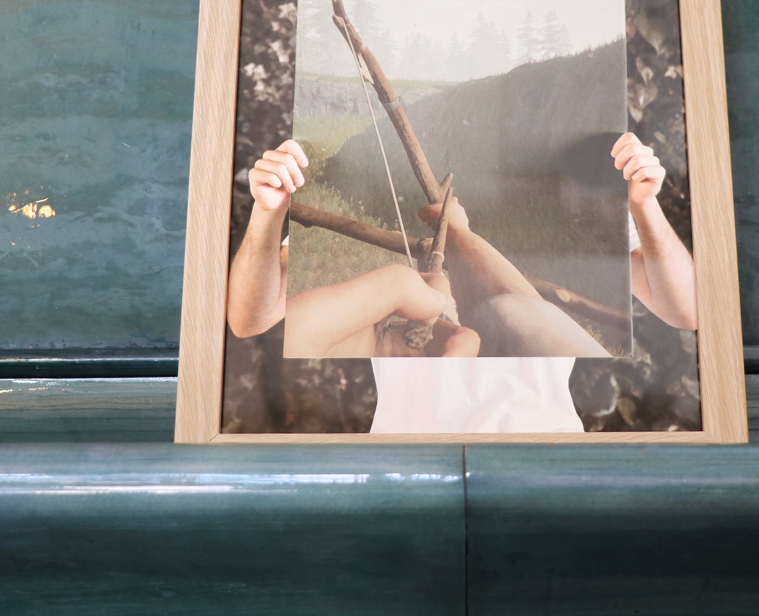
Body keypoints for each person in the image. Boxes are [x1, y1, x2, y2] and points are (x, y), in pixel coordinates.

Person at [226, 132, 695, 432]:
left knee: (509, 312)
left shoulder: (609, 198)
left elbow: (687, 308)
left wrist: (645, 205)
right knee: (505, 310)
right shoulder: (391, 321)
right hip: (413, 452)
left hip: (540, 445)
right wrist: (267, 214)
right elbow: (250, 320)